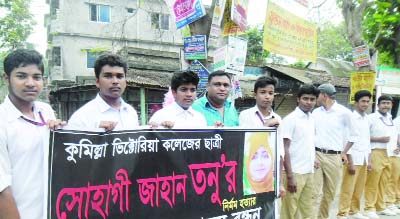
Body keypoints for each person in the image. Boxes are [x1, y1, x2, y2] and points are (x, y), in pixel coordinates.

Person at [0, 49, 65, 219]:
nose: (31, 83)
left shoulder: (46, 110)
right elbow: (2, 189)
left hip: (53, 212)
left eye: (36, 77)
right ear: (6, 78)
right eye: (21, 76)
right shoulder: (2, 120)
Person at [238, 76, 284, 219]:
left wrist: (280, 183)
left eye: (270, 93)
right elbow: (245, 145)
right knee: (251, 213)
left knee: (270, 213)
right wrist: (266, 127)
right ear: (255, 94)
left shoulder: (277, 118)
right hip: (250, 176)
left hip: (271, 178)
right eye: (263, 92)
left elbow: (280, 152)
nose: (267, 97)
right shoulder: (245, 116)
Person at [313, 83, 358, 219]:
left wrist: (344, 152)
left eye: (318, 95)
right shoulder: (315, 112)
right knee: (313, 193)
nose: (316, 98)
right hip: (317, 155)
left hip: (334, 157)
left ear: (324, 95)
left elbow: (354, 135)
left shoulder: (344, 112)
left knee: (329, 193)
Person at [67, 53, 139, 131]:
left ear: (125, 81)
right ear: (97, 82)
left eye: (119, 76)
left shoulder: (131, 112)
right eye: (108, 76)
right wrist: (95, 134)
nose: (115, 81)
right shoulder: (81, 118)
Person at [280, 84, 319, 219]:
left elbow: (306, 142)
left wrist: (313, 159)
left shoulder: (311, 119)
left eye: (312, 99)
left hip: (308, 172)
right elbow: (284, 148)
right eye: (305, 99)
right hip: (294, 172)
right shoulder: (290, 119)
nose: (309, 102)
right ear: (298, 99)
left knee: (307, 210)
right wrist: (290, 177)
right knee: (289, 212)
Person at [336, 90, 372, 219]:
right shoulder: (351, 118)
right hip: (353, 158)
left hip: (363, 159)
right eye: (363, 101)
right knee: (348, 188)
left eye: (368, 101)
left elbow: (367, 141)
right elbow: (347, 140)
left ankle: (355, 211)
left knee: (359, 187)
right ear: (356, 102)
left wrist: (369, 160)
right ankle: (342, 213)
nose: (365, 104)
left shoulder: (367, 119)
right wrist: (350, 162)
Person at [364, 95, 399, 218]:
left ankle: (380, 206)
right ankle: (369, 208)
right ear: (378, 105)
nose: (386, 105)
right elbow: (363, 137)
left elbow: (393, 136)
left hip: (389, 153)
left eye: (388, 103)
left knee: (384, 182)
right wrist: (379, 139)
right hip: (375, 152)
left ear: (391, 105)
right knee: (372, 182)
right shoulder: (371, 118)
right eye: (383, 103)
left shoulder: (390, 118)